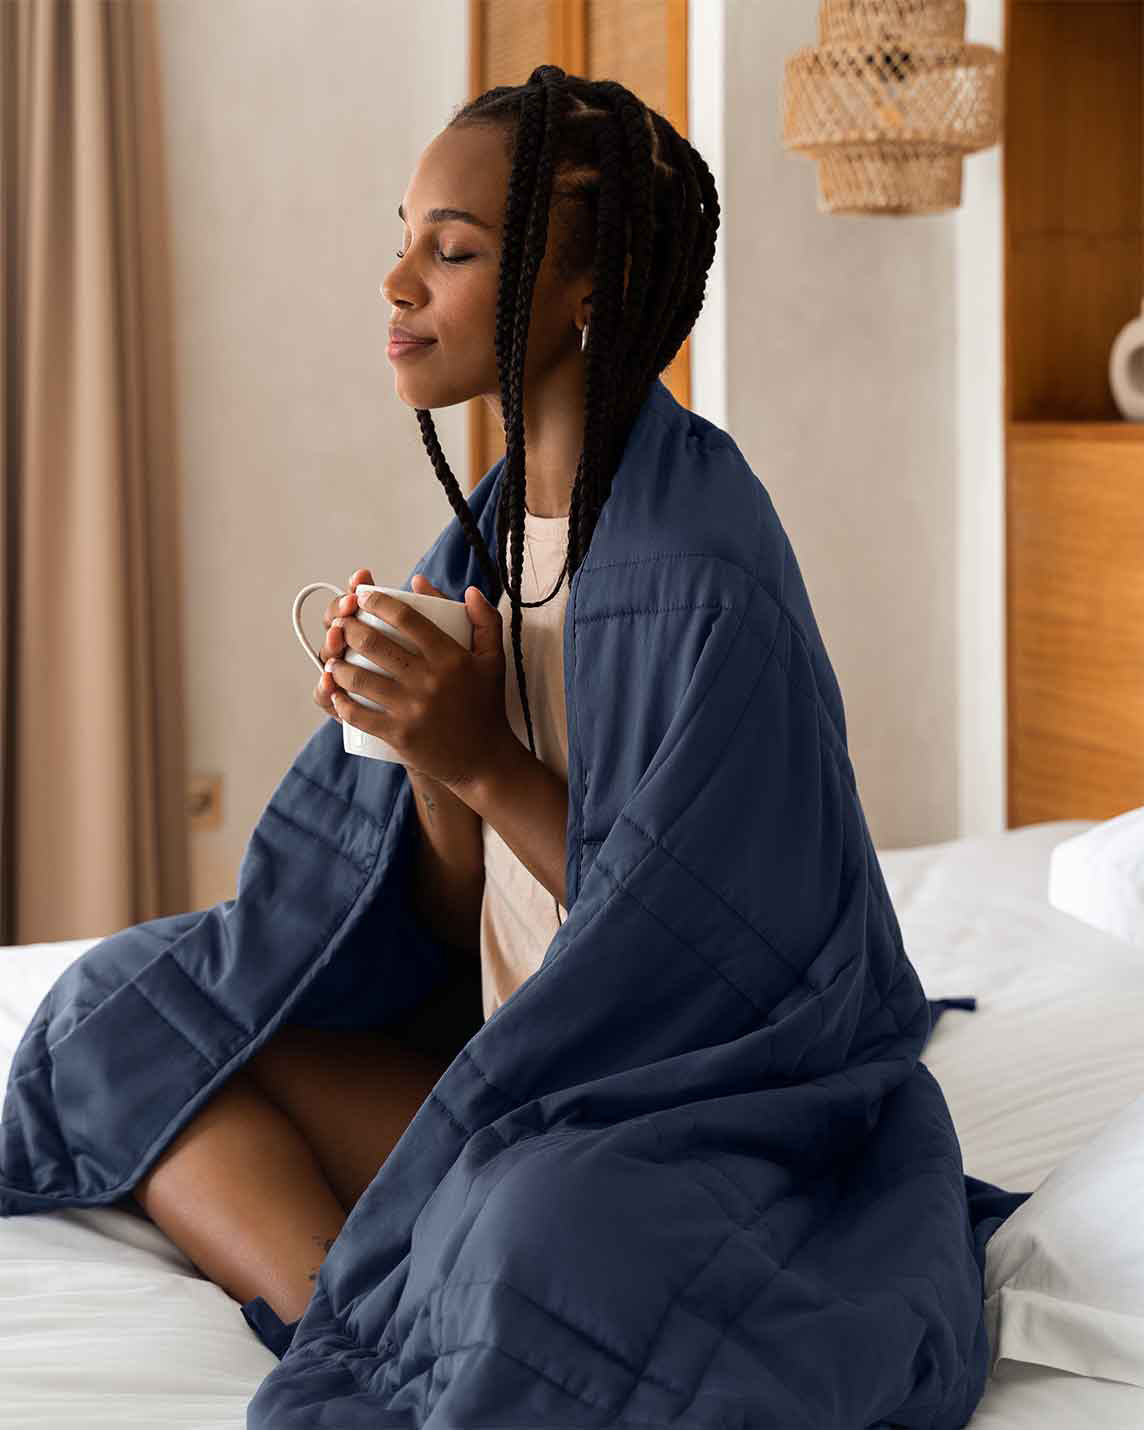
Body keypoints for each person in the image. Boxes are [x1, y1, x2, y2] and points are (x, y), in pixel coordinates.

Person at [130, 65, 720, 1337]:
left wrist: (488, 759)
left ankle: (397, 1316)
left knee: (543, 1230)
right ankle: (356, 1318)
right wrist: (424, 748)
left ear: (586, 295)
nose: (398, 283)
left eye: (448, 251)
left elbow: (707, 961)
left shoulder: (699, 573)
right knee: (145, 1015)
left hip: (642, 1101)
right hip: (517, 1059)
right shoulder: (489, 546)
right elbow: (465, 917)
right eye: (402, 243)